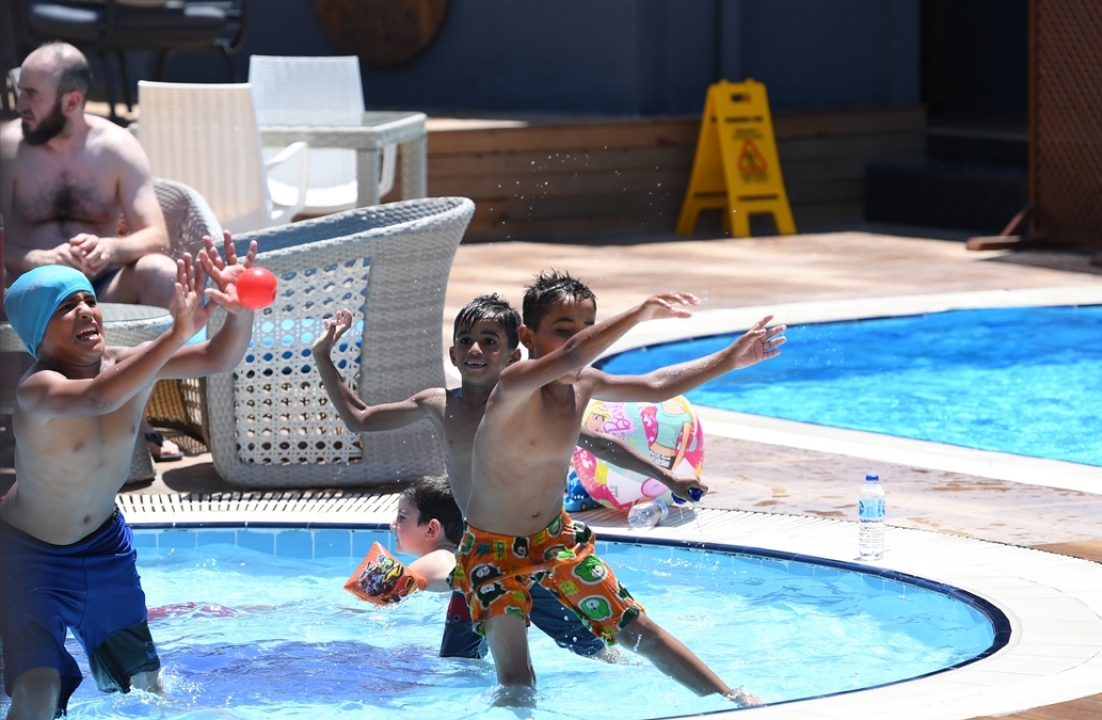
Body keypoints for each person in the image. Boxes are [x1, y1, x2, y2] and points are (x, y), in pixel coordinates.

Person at [313, 294, 704, 661]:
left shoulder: (533, 406)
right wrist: (323, 356)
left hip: (533, 552)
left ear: (515, 354)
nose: (475, 350)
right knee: (458, 663)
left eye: (489, 341)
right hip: (478, 557)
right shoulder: (438, 404)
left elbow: (599, 443)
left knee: (599, 651)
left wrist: (667, 478)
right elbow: (359, 418)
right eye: (465, 340)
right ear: (452, 353)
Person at [457, 270, 785, 707]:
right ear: (526, 336)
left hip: (555, 541)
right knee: (518, 679)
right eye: (562, 329)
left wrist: (728, 359)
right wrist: (641, 313)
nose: (578, 340)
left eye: (586, 329)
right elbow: (573, 355)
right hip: (492, 552)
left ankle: (733, 701)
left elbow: (655, 386)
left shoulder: (584, 384)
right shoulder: (513, 386)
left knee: (639, 631)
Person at [0, 232, 258, 719]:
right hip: (26, 557)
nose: (85, 311)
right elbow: (100, 398)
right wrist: (174, 334)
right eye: (64, 307)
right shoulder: (37, 390)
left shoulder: (126, 363)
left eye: (89, 300)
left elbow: (219, 357)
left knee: (145, 682)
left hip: (103, 549)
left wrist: (240, 308)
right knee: (38, 688)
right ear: (37, 329)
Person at [1, 41, 182, 461]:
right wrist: (36, 260)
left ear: (71, 101)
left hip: (96, 288)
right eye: (20, 89)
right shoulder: (8, 149)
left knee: (161, 271)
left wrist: (111, 248)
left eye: (32, 94)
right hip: (24, 291)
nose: (20, 104)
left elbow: (155, 235)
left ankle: (138, 417)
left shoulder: (115, 147)